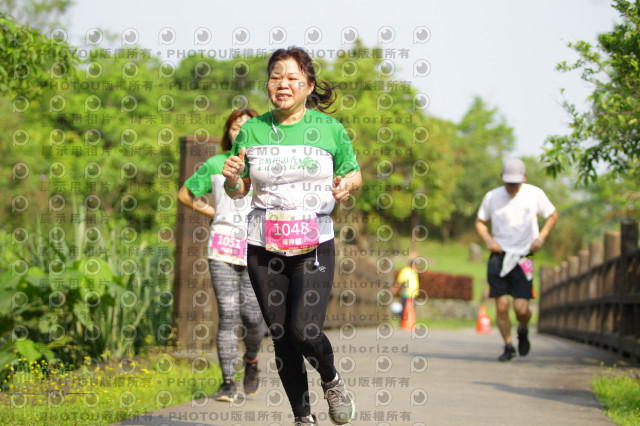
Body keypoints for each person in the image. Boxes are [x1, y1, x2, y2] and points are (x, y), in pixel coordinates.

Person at [222, 47, 362, 425]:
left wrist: (346, 185)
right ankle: (303, 417)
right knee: (282, 335)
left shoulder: (330, 129)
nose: (282, 84)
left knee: (305, 329)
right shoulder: (251, 129)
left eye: (292, 78)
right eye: (275, 77)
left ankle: (331, 379)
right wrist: (233, 178)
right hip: (263, 245)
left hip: (314, 243)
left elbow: (353, 173)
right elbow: (239, 190)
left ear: (309, 86)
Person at [178, 108, 265, 401]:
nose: (239, 131)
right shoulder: (215, 163)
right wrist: (212, 211)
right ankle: (228, 382)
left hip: (257, 249)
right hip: (222, 248)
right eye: (234, 127)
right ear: (227, 132)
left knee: (253, 317)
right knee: (228, 315)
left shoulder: (264, 165)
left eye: (246, 126)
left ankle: (251, 362)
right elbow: (185, 194)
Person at [475, 158, 558, 361]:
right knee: (501, 305)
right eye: (508, 183)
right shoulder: (492, 197)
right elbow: (480, 222)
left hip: (525, 257)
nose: (512, 187)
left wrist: (541, 238)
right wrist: (488, 240)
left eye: (516, 183)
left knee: (521, 309)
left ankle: (522, 328)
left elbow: (553, 215)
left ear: (524, 178)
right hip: (498, 255)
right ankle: (508, 345)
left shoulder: (534, 193)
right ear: (501, 178)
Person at [392, 253, 420, 322]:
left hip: (413, 296)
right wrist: (394, 291)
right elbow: (399, 282)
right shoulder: (406, 271)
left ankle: (409, 323)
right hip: (406, 295)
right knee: (404, 310)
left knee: (410, 311)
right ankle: (403, 323)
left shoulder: (414, 272)